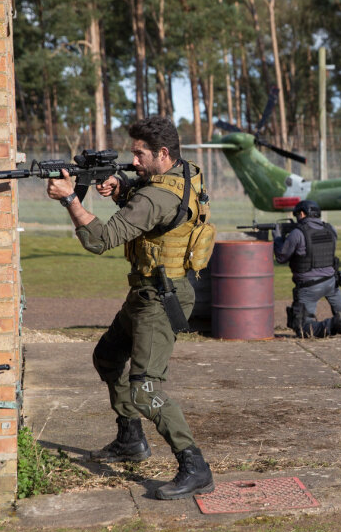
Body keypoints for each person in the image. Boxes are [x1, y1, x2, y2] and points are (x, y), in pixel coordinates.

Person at [45, 116, 216, 500]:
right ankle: (131, 439)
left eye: (140, 155)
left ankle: (195, 466)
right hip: (147, 291)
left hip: (160, 299)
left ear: (163, 153)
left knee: (144, 390)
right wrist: (121, 187)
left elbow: (100, 239)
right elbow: (155, 208)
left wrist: (71, 199)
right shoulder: (184, 173)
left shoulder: (155, 198)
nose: (133, 161)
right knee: (108, 358)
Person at [274, 200, 341, 338]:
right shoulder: (330, 229)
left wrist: (278, 239)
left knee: (303, 328)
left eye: (297, 215)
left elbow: (281, 257)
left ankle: (333, 325)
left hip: (309, 286)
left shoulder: (298, 233)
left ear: (302, 214)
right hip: (331, 282)